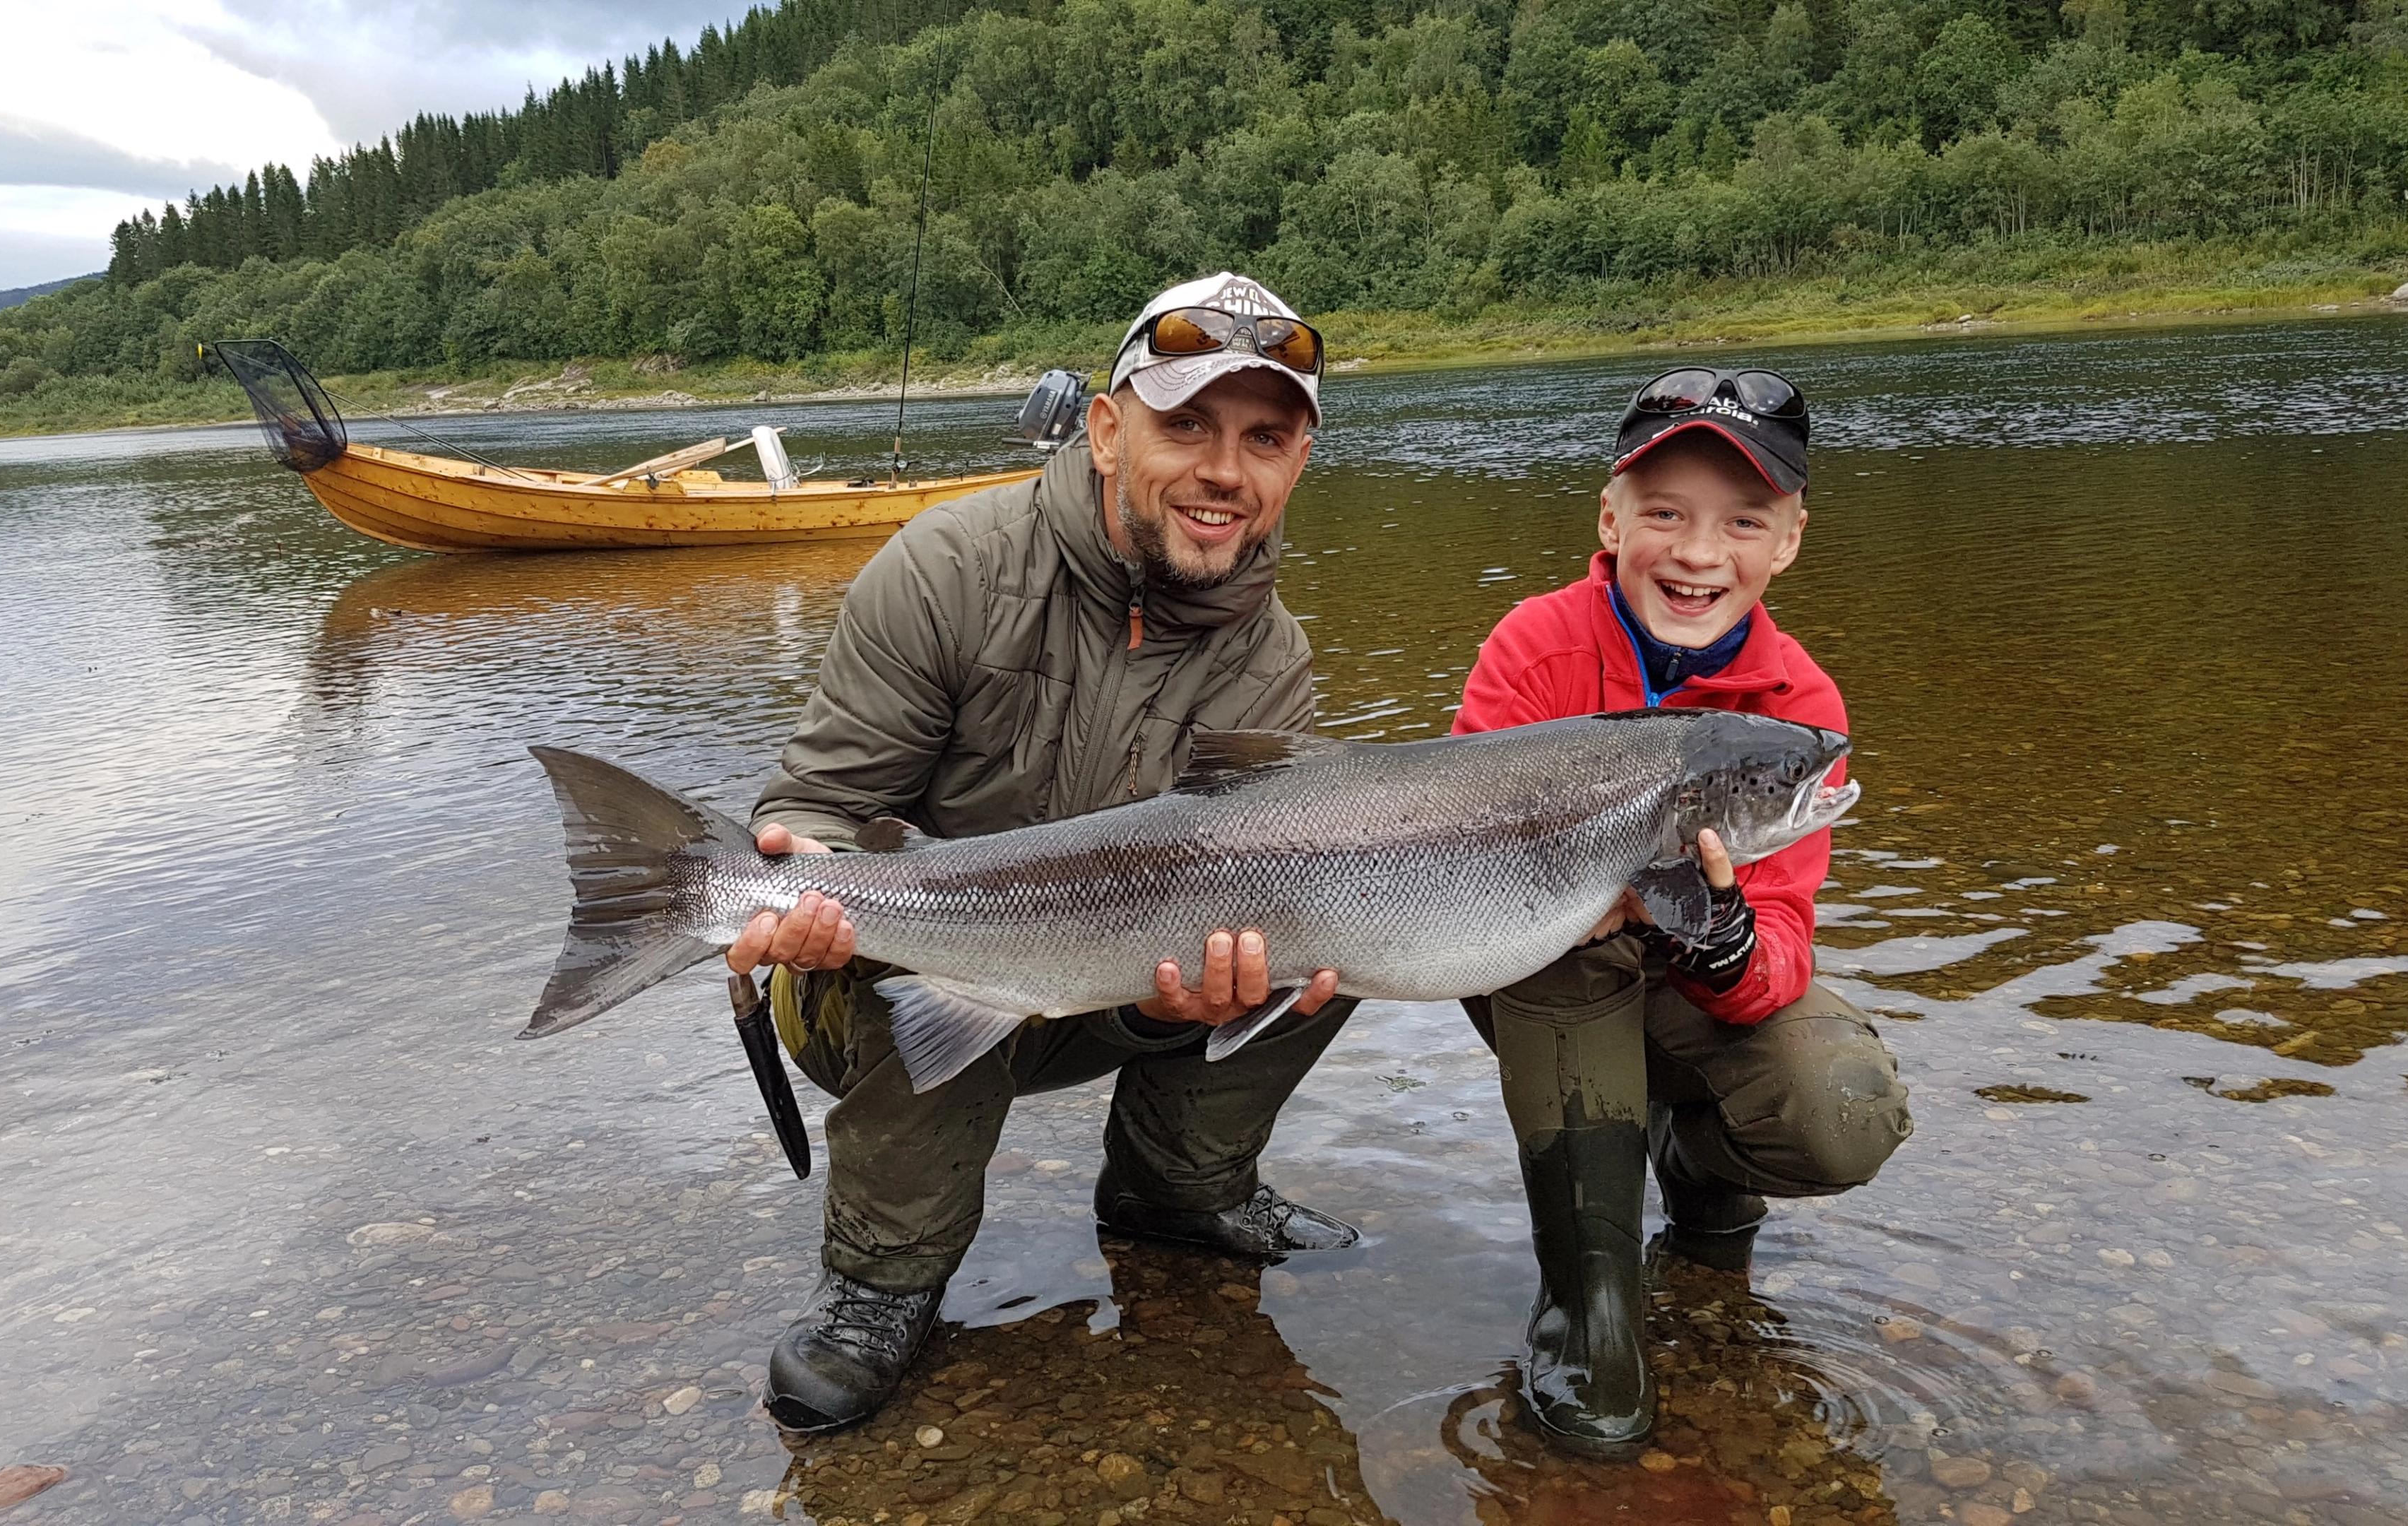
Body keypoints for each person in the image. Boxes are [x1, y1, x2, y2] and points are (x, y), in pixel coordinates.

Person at [733, 273, 1360, 1433]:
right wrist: (797, 881)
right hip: (894, 986)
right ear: (1109, 431)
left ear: (1297, 465)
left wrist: (1204, 1002)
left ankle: (1176, 1195)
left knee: (1345, 925)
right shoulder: (948, 569)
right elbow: (817, 804)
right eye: (1188, 426)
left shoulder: (1273, 655)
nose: (1227, 471)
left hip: (1114, 988)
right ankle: (882, 1283)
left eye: (1265, 439)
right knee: (915, 944)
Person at [1452, 367, 1914, 1449]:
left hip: (1686, 998)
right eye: (1665, 515)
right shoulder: (1535, 647)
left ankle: (1697, 1162)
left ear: (1788, 540)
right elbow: (1465, 842)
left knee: (1842, 1112)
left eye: (1742, 522)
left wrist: (1723, 937)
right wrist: (1588, 894)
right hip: (1544, 970)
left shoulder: (1798, 708)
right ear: (1611, 520)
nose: (1700, 554)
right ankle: (1590, 1302)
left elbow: (1785, 956)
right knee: (1602, 1417)